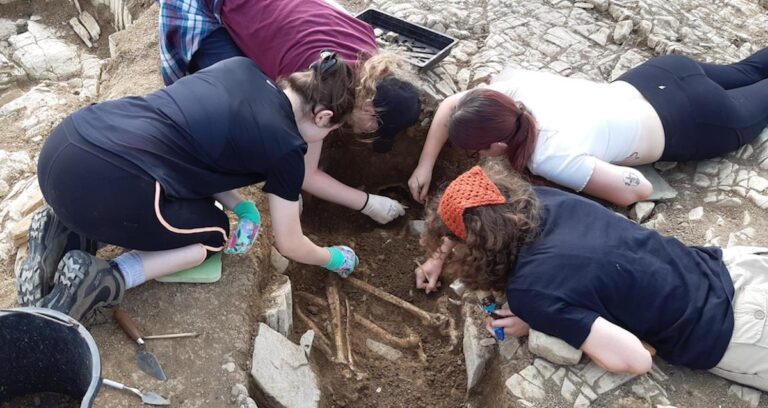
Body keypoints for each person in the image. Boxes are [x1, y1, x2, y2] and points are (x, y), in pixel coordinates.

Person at [15, 53, 359, 325]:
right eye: (331, 131)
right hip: (108, 185)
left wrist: (243, 206)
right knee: (212, 235)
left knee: (153, 191)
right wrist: (333, 258)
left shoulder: (240, 68)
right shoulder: (287, 149)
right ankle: (106, 278)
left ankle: (70, 232)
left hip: (66, 149)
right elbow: (290, 243)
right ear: (323, 117)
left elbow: (199, 148)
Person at [417, 164, 768, 391]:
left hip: (739, 330)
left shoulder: (530, 293)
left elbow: (636, 359)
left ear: (473, 249)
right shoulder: (543, 200)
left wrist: (546, 320)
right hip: (735, 266)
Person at [160, 0, 422, 224]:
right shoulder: (319, 78)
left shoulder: (368, 51)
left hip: (266, 10)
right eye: (376, 125)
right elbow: (307, 174)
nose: (371, 131)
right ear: (368, 106)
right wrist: (367, 203)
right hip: (206, 5)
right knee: (243, 102)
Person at [408, 49, 768, 207]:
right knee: (747, 71)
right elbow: (451, 105)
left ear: (499, 145)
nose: (481, 157)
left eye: (480, 150)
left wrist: (612, 164)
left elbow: (637, 189)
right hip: (662, 74)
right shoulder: (511, 92)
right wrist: (425, 164)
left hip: (695, 119)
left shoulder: (549, 156)